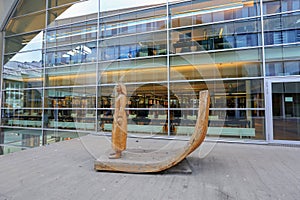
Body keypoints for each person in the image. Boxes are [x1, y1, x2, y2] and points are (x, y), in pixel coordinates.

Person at [109, 83, 127, 159]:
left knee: (119, 133)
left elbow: (122, 107)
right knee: (115, 133)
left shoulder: (122, 97)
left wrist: (119, 117)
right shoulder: (119, 96)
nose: (116, 87)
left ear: (122, 88)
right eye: (116, 86)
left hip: (120, 116)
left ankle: (118, 153)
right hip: (116, 115)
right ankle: (117, 150)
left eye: (118, 86)